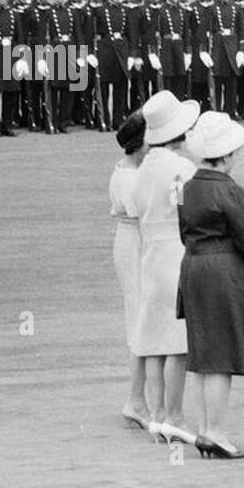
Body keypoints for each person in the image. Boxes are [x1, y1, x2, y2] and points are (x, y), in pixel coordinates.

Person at [178, 111, 244, 459]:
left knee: (202, 353)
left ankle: (204, 428)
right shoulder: (231, 191)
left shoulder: (185, 187)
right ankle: (213, 431)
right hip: (222, 269)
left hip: (193, 265)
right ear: (225, 155)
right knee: (221, 357)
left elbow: (181, 231)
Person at [130, 90, 201, 443]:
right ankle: (174, 414)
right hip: (176, 251)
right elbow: (191, 211)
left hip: (151, 253)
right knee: (178, 343)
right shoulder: (182, 168)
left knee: (155, 339)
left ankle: (158, 414)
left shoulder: (144, 168)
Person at [110, 111, 149, 429]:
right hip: (135, 241)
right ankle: (135, 399)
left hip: (133, 239)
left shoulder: (129, 170)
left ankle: (138, 398)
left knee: (140, 315)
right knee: (140, 317)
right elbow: (145, 212)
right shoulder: (130, 177)